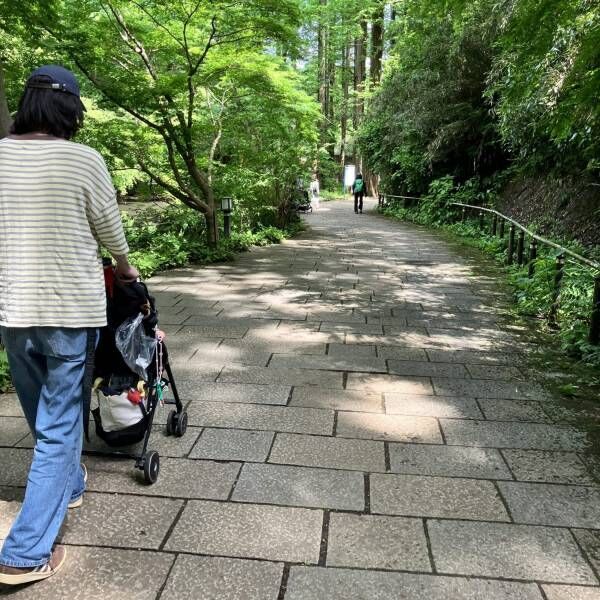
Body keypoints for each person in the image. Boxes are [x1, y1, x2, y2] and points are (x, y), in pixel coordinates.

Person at [0, 65, 138, 585]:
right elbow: (110, 231)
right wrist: (126, 270)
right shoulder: (83, 160)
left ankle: (69, 483)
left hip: (13, 310)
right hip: (69, 312)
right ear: (70, 112)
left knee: (41, 414)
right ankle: (26, 552)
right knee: (59, 430)